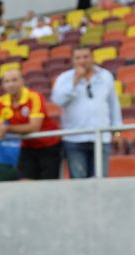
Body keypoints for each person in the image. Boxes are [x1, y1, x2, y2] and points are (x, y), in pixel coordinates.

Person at [51, 46, 123, 178]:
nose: (82, 61)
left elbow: (113, 105)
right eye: (78, 58)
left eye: (86, 57)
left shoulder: (105, 76)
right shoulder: (64, 78)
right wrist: (75, 82)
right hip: (75, 138)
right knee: (79, 181)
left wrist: (117, 132)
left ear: (92, 58)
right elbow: (57, 100)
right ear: (72, 60)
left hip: (101, 137)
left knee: (100, 179)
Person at [0, 68, 61, 181]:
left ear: (22, 81)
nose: (11, 84)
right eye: (7, 81)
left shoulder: (35, 97)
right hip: (28, 146)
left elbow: (34, 127)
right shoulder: (0, 102)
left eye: (14, 80)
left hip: (49, 145)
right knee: (25, 182)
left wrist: (6, 128)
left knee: (47, 185)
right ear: (2, 85)